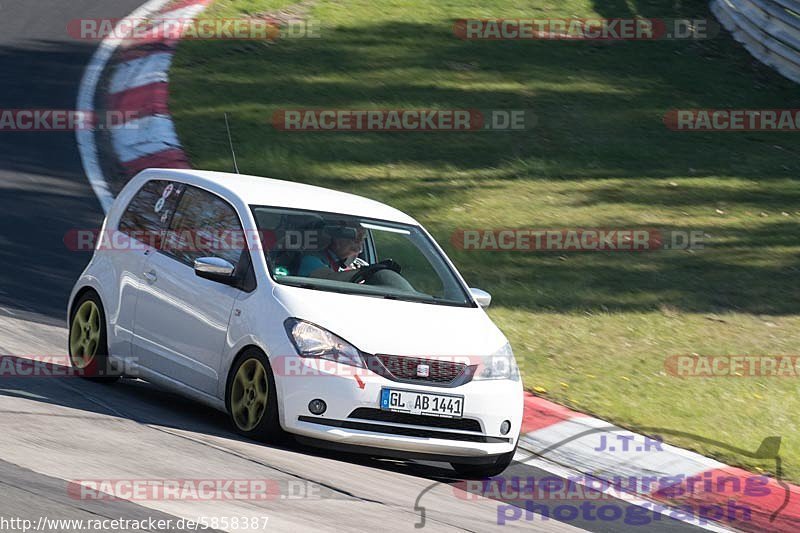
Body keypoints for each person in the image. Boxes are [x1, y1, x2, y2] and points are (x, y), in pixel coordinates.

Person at [297, 225, 367, 278]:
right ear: (336, 238)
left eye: (362, 239)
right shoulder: (311, 259)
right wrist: (365, 273)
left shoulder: (358, 264)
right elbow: (331, 280)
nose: (359, 246)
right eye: (354, 237)